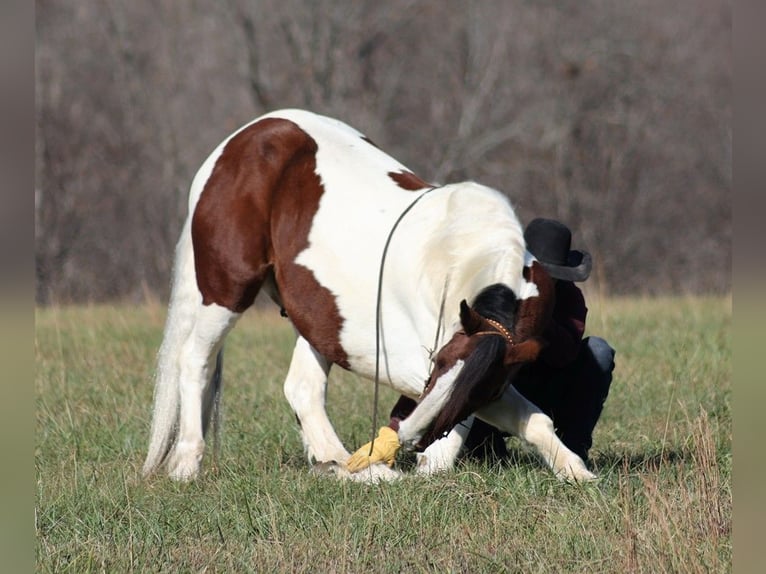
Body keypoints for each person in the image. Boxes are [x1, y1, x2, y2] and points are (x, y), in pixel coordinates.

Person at [464, 217, 615, 464]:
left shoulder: (569, 299)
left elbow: (565, 354)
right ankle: (485, 448)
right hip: (496, 393)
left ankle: (573, 450)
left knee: (599, 351)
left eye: (550, 275)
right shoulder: (495, 290)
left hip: (548, 390)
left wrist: (539, 317)